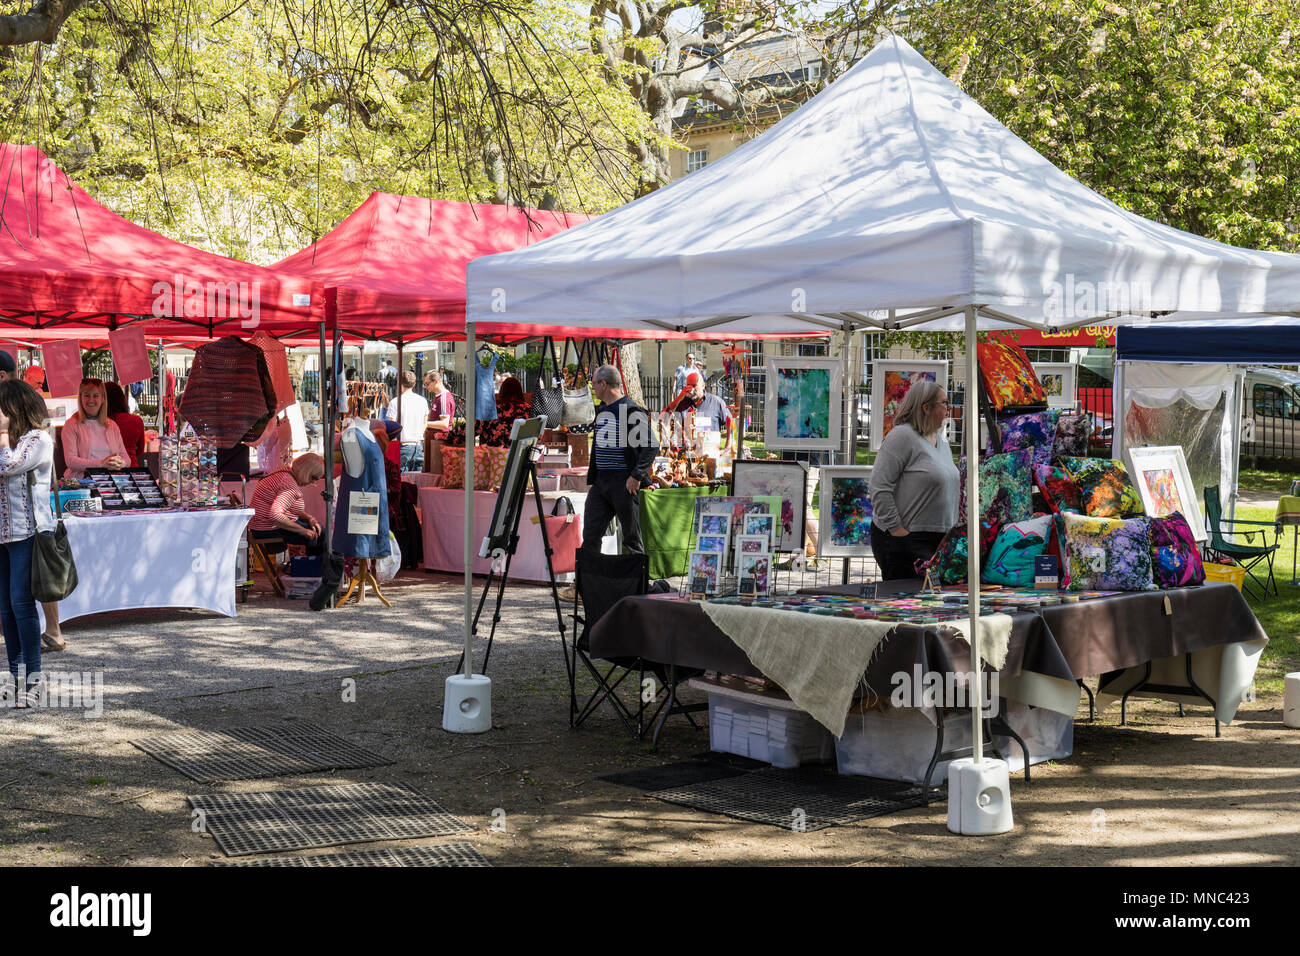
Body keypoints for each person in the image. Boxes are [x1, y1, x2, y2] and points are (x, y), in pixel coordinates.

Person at [868, 380, 960, 580]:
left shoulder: (941, 442)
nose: (949, 408)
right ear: (926, 407)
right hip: (907, 540)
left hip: (937, 540)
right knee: (908, 604)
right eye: (944, 403)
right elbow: (879, 487)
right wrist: (898, 531)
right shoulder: (902, 437)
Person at [0, 380, 55, 707]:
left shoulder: (39, 439)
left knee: (21, 604)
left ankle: (34, 680)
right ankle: (14, 676)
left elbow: (9, 465)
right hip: (2, 534)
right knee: (5, 608)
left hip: (27, 532)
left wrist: (2, 435)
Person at [583, 364, 657, 554]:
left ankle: (637, 582)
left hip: (623, 483)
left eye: (594, 384)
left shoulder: (630, 411)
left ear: (604, 384)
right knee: (590, 534)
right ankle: (591, 581)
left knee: (632, 538)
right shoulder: (602, 409)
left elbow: (651, 446)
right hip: (601, 483)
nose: (593, 388)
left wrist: (636, 476)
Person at [250, 453, 326, 556]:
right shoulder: (289, 486)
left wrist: (309, 518)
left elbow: (288, 507)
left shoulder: (284, 473)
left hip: (258, 527)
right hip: (267, 529)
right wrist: (304, 531)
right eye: (313, 478)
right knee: (319, 533)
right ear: (306, 471)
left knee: (316, 529)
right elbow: (276, 515)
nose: (313, 483)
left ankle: (309, 565)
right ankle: (313, 568)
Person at [60, 378, 130, 479]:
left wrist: (120, 463)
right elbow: (70, 461)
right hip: (81, 484)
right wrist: (101, 464)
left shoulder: (112, 425)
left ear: (103, 398)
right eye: (87, 396)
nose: (91, 400)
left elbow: (126, 459)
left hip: (110, 483)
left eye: (95, 396)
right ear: (81, 398)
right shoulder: (71, 425)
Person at [666, 371, 733, 450]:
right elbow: (664, 417)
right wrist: (679, 397)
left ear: (703, 385)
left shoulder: (716, 402)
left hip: (709, 453)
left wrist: (727, 448)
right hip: (686, 454)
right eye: (688, 385)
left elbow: (731, 424)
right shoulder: (681, 403)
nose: (691, 389)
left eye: (694, 385)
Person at [385, 370, 430, 471]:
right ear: (414, 384)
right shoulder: (422, 401)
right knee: (417, 482)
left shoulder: (395, 402)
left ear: (399, 383)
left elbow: (391, 427)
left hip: (403, 446)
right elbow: (425, 423)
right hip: (418, 445)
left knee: (403, 481)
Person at [104, 381, 145, 468]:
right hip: (131, 470)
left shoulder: (100, 422)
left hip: (106, 471)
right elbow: (140, 450)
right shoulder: (136, 420)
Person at [424, 370, 455, 436]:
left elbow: (444, 424)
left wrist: (424, 423)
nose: (425, 386)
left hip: (438, 440)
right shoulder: (439, 396)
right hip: (434, 438)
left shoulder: (444, 397)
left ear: (435, 381)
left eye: (427, 383)